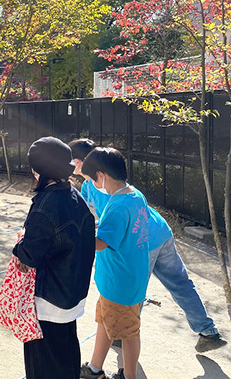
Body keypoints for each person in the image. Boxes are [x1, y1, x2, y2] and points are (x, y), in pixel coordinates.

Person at [70, 139, 226, 353]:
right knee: (179, 283)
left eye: (72, 161)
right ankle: (208, 331)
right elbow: (109, 221)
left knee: (130, 286)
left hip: (140, 240)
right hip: (158, 231)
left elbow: (114, 225)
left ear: (80, 163)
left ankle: (124, 331)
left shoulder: (100, 186)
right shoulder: (109, 183)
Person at [12, 137, 96, 379]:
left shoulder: (45, 205)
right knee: (66, 353)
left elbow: (30, 254)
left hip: (48, 298)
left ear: (37, 171)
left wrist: (21, 240)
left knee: (43, 363)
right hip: (72, 293)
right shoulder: (75, 196)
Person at [79, 148, 149, 379]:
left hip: (119, 283)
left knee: (128, 333)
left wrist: (77, 235)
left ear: (101, 175)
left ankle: (129, 376)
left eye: (91, 179)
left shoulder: (117, 206)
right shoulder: (135, 195)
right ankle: (95, 368)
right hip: (128, 278)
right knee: (106, 322)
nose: (91, 183)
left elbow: (101, 243)